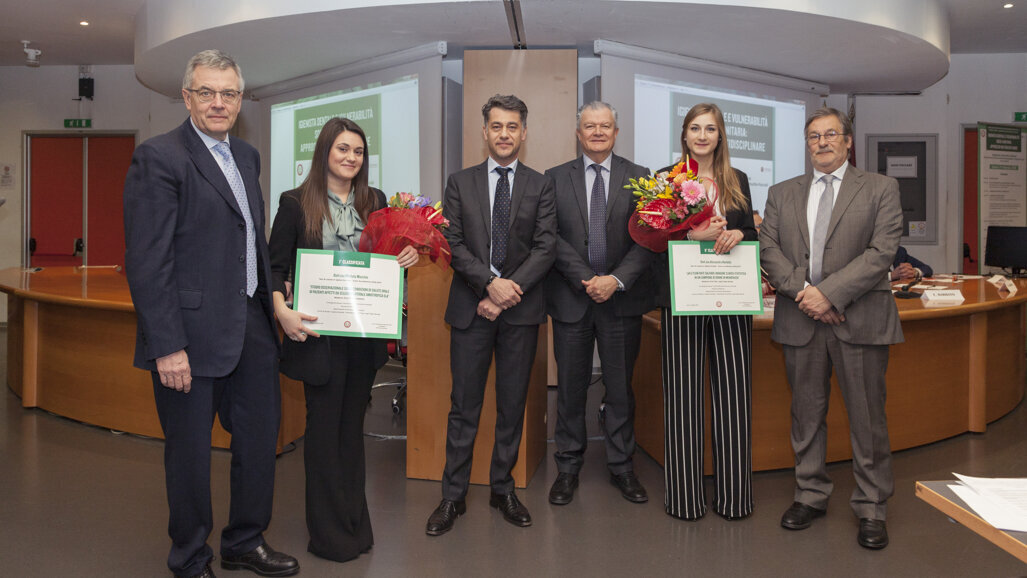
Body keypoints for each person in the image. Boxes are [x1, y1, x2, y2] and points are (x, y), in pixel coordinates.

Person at [123, 50, 299, 578]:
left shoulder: (247, 156)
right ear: (187, 96)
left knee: (256, 439)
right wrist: (167, 345)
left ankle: (245, 540)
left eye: (228, 93)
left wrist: (275, 304)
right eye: (207, 92)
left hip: (252, 327)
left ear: (240, 100)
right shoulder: (160, 158)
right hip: (189, 336)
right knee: (190, 455)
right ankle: (189, 558)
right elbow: (148, 262)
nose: (218, 102)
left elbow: (248, 242)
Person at [268, 117, 418, 562]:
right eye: (342, 150)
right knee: (323, 433)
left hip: (363, 337)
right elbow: (275, 268)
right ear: (324, 153)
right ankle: (328, 534)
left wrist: (405, 255)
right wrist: (281, 310)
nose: (351, 158)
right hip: (318, 336)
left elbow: (385, 260)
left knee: (351, 432)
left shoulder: (374, 201)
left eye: (357, 151)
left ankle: (355, 524)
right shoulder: (295, 203)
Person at [760, 107, 903, 550]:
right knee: (806, 416)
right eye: (813, 136)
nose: (821, 142)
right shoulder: (782, 192)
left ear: (847, 142)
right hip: (800, 319)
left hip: (859, 319)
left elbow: (882, 253)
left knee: (867, 419)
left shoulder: (881, 188)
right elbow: (769, 248)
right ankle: (810, 494)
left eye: (830, 135)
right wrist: (807, 294)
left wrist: (830, 294)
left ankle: (872, 506)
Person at [425, 94, 556, 535]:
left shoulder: (541, 185)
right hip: (470, 310)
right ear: (485, 132)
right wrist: (488, 285)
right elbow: (454, 245)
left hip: (519, 312)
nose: (504, 134)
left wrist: (503, 294)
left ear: (524, 132)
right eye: (496, 126)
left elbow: (545, 248)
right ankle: (452, 496)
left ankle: (503, 489)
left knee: (511, 406)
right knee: (464, 407)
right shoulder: (459, 182)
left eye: (512, 126)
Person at [544, 101, 653, 506]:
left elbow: (649, 239)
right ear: (578, 133)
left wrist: (616, 279)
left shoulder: (640, 178)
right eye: (589, 126)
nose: (597, 132)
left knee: (621, 389)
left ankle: (622, 467)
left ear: (616, 131)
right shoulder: (554, 179)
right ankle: (567, 468)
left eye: (605, 126)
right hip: (572, 298)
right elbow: (549, 237)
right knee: (571, 389)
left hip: (621, 301)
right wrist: (587, 279)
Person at [654, 102, 758, 521]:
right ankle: (684, 500)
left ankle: (735, 499)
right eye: (694, 128)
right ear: (684, 134)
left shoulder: (738, 179)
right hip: (683, 299)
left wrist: (736, 232)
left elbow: (751, 232)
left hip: (730, 299)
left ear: (720, 136)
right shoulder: (665, 178)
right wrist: (693, 235)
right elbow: (652, 239)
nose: (702, 136)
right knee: (682, 399)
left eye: (710, 129)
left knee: (734, 398)